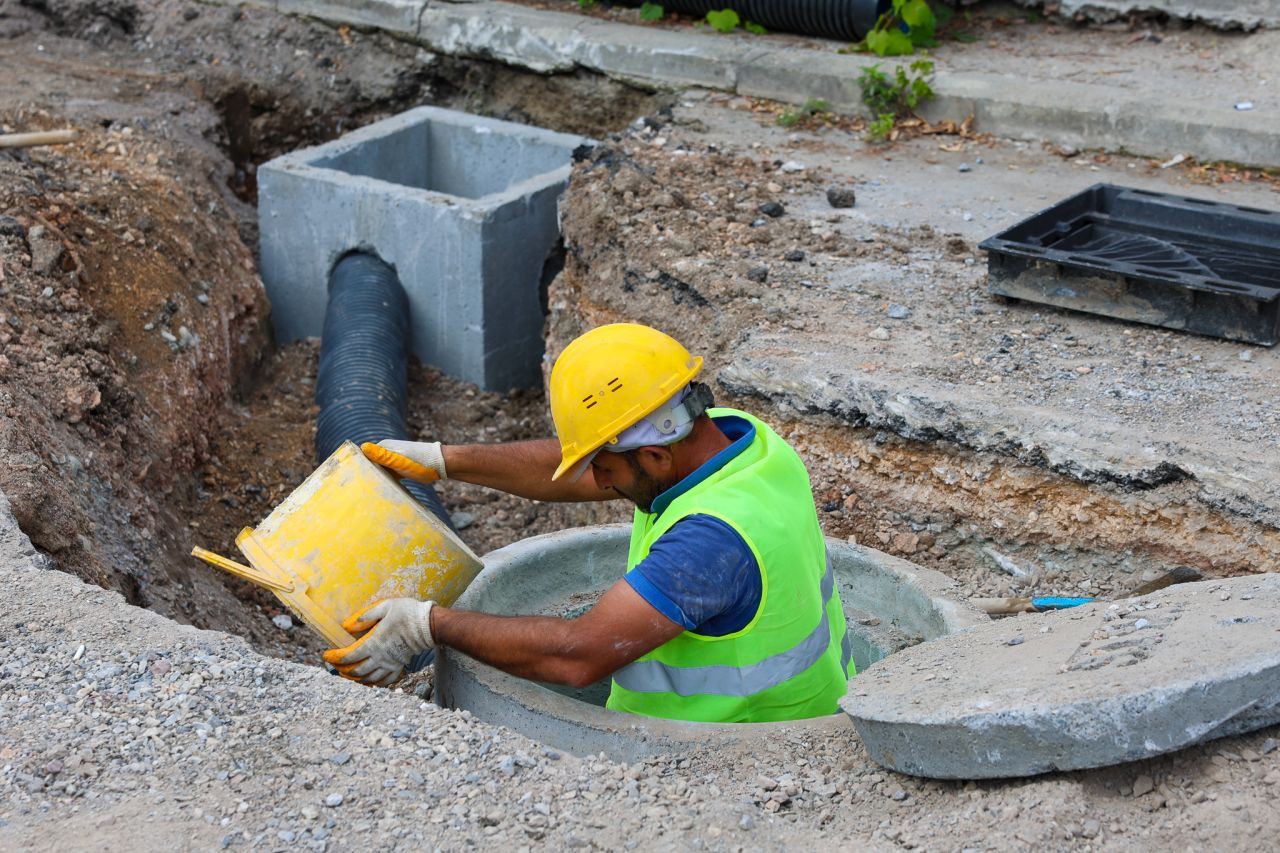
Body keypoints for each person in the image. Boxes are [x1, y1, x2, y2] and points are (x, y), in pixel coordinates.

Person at [323, 323, 854, 723]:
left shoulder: (709, 544)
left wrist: (425, 625)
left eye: (604, 468)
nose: (598, 484)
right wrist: (445, 459)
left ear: (654, 457)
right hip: (805, 706)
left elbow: (579, 656)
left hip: (735, 758)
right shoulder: (743, 444)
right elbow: (592, 468)